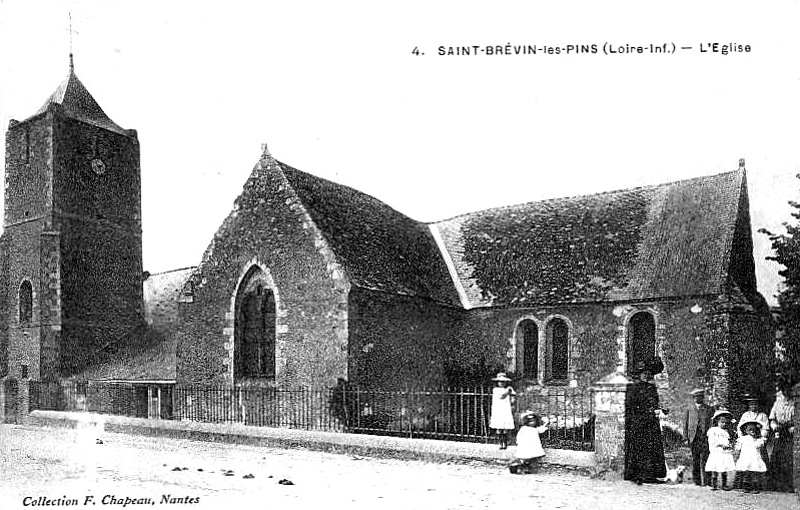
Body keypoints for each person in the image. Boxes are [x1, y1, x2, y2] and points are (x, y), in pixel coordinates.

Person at [623, 357, 667, 484]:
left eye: (649, 374)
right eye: (645, 374)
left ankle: (651, 475)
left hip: (651, 423)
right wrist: (642, 414)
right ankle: (637, 475)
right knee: (639, 449)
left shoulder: (652, 388)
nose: (647, 376)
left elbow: (655, 404)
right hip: (638, 423)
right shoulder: (633, 388)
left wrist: (659, 410)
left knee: (652, 448)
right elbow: (630, 406)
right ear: (640, 375)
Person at [767, 381, 795, 492]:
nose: (786, 392)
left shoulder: (795, 403)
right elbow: (772, 419)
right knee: (776, 456)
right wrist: (774, 427)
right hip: (779, 431)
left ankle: (788, 485)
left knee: (788, 457)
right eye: (784, 390)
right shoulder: (777, 403)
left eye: (788, 390)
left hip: (790, 432)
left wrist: (792, 428)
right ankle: (775, 485)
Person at [684, 388, 712, 486]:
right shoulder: (689, 409)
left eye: (700, 397)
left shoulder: (708, 409)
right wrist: (685, 437)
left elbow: (711, 423)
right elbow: (686, 424)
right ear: (693, 398)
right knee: (695, 459)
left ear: (703, 398)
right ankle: (697, 481)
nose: (698, 399)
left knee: (705, 458)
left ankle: (707, 480)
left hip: (705, 437)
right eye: (696, 397)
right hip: (693, 437)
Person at [706, 409, 735, 491]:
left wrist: (728, 446)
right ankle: (714, 485)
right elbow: (712, 441)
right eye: (722, 422)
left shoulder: (726, 432)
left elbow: (728, 441)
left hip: (724, 452)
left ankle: (724, 484)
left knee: (724, 468)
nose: (724, 424)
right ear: (717, 421)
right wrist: (719, 445)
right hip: (716, 452)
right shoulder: (713, 430)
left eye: (726, 422)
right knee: (715, 469)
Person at [735, 420, 767, 493]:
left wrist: (760, 440)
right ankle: (746, 487)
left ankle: (755, 487)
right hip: (745, 457)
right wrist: (736, 456)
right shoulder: (743, 439)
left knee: (754, 473)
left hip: (754, 458)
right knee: (746, 473)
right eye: (750, 430)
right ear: (746, 431)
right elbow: (738, 448)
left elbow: (758, 446)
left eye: (754, 430)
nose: (752, 431)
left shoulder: (758, 440)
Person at [489, 372, 516, 450]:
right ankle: (500, 443)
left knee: (504, 428)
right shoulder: (496, 390)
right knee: (499, 427)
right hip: (498, 410)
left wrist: (512, 396)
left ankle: (505, 443)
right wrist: (508, 391)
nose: (502, 383)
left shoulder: (507, 389)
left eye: (504, 382)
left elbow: (513, 395)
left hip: (505, 409)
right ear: (497, 382)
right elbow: (502, 396)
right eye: (500, 382)